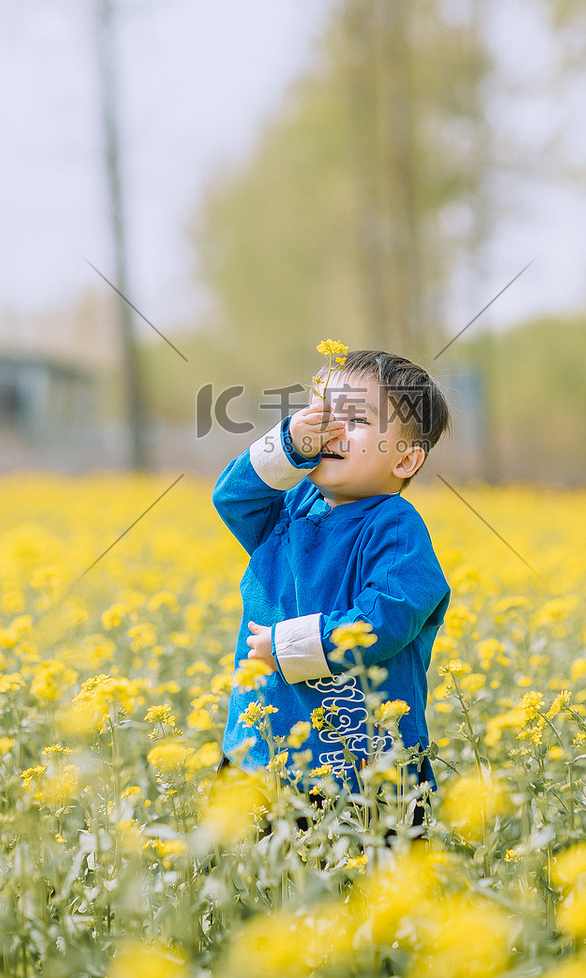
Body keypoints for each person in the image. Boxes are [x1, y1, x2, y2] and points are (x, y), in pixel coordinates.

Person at [212, 348, 451, 820]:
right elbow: (232, 497)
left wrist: (290, 646)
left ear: (405, 460)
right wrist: (288, 445)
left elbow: (388, 615)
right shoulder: (289, 507)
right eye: (325, 414)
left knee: (362, 887)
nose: (333, 429)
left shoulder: (395, 527)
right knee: (252, 886)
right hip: (260, 755)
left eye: (357, 419)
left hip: (363, 771)